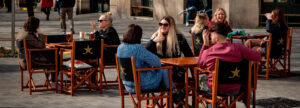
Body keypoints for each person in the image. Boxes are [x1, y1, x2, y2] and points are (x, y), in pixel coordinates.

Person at [197, 22, 261, 98]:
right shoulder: (239, 48)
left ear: (217, 38)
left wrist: (205, 44)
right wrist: (256, 50)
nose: (210, 37)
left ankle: (211, 105)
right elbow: (258, 57)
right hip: (235, 88)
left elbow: (200, 64)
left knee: (202, 80)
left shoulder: (208, 52)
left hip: (216, 88)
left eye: (211, 35)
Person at [146, 16, 193, 105]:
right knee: (172, 82)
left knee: (181, 79)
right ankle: (178, 101)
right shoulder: (155, 36)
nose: (162, 26)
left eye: (165, 25)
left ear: (171, 26)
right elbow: (145, 53)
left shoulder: (179, 38)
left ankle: (176, 101)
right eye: (160, 24)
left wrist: (193, 74)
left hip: (176, 71)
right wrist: (153, 41)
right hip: (159, 72)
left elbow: (189, 55)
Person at [117, 24, 172, 93]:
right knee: (165, 69)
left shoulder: (120, 47)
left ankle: (173, 93)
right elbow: (157, 63)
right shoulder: (138, 48)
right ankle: (173, 93)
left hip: (127, 85)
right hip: (142, 85)